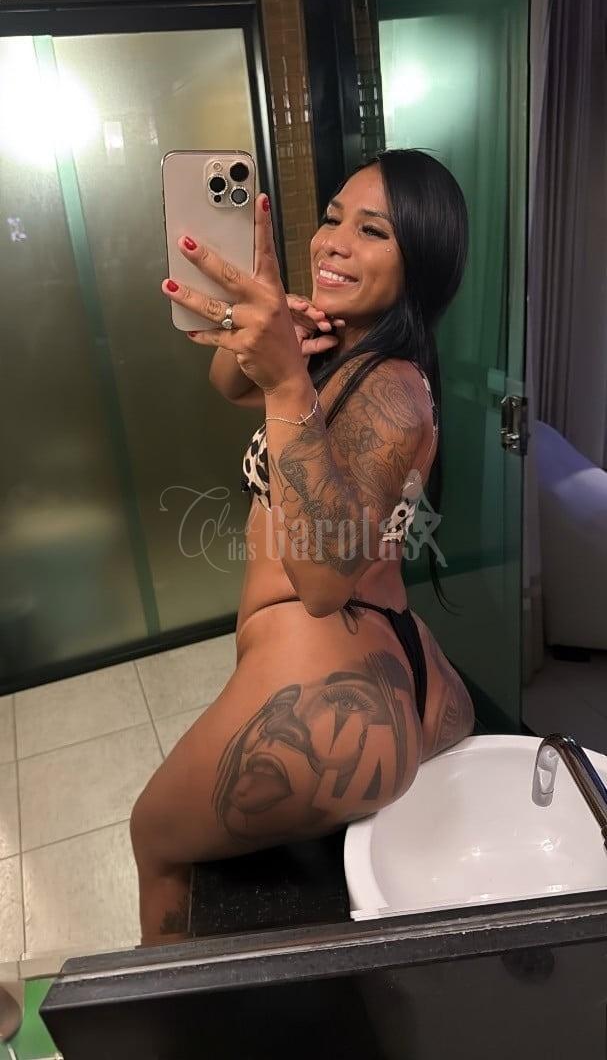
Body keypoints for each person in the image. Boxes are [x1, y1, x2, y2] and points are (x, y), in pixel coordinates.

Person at [130, 148, 475, 946]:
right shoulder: (338, 346)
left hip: (325, 674)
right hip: (399, 662)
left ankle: (170, 1012)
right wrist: (266, 338)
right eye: (330, 219)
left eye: (372, 231)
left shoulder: (391, 388)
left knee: (156, 838)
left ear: (419, 262)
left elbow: (321, 582)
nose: (332, 242)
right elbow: (231, 385)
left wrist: (288, 383)